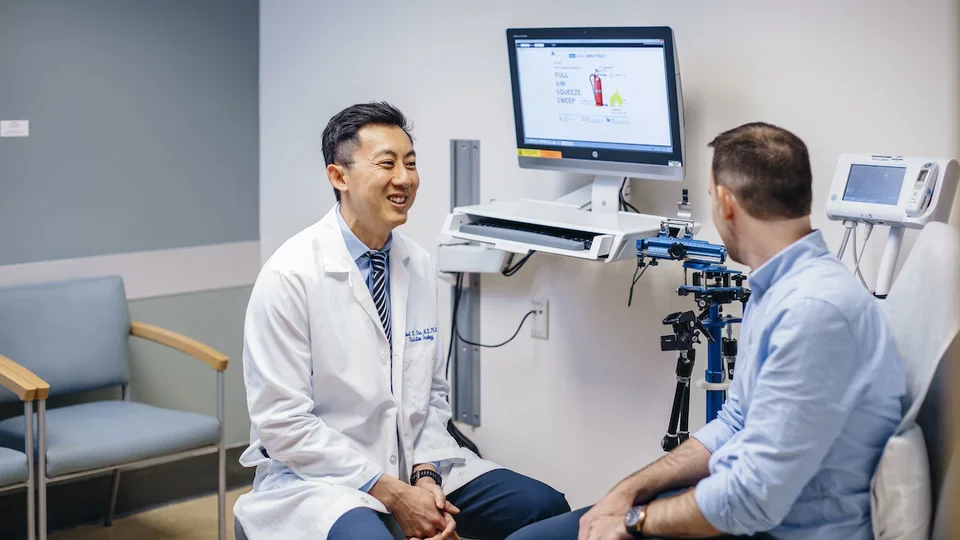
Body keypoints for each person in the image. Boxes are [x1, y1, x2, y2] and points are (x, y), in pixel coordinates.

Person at [506, 122, 906, 540]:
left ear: (725, 202)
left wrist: (634, 521)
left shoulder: (812, 312)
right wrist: (626, 492)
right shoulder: (777, 288)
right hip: (750, 510)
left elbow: (752, 498)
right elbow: (734, 422)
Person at [233, 102, 569, 540]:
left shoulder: (418, 264)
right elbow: (282, 424)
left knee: (545, 509)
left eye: (410, 163)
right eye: (387, 164)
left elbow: (429, 395)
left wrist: (426, 475)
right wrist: (390, 491)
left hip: (416, 463)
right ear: (339, 177)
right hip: (321, 482)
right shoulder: (290, 276)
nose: (404, 179)